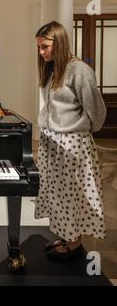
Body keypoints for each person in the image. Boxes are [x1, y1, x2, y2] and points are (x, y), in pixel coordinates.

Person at [34, 21, 106, 260]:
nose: (41, 52)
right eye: (39, 47)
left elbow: (96, 110)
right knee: (57, 195)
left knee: (73, 195)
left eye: (45, 47)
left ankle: (74, 243)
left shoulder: (80, 70)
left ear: (59, 43)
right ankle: (66, 235)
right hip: (52, 142)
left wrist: (79, 131)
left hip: (71, 144)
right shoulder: (52, 68)